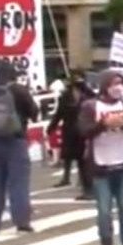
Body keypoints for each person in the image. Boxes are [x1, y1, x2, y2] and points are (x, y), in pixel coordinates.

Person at [79, 72, 123, 245]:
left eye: (121, 84)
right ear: (105, 85)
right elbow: (83, 131)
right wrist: (102, 124)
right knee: (104, 210)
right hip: (101, 165)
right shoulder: (91, 106)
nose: (118, 87)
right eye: (115, 84)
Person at [0, 62, 39, 234]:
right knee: (18, 183)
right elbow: (34, 112)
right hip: (16, 140)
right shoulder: (19, 90)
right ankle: (21, 222)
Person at [47, 72, 94, 200]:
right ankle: (82, 186)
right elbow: (59, 114)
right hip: (72, 131)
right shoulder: (67, 97)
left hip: (82, 132)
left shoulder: (87, 96)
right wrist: (51, 127)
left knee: (83, 162)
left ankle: (89, 189)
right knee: (72, 158)